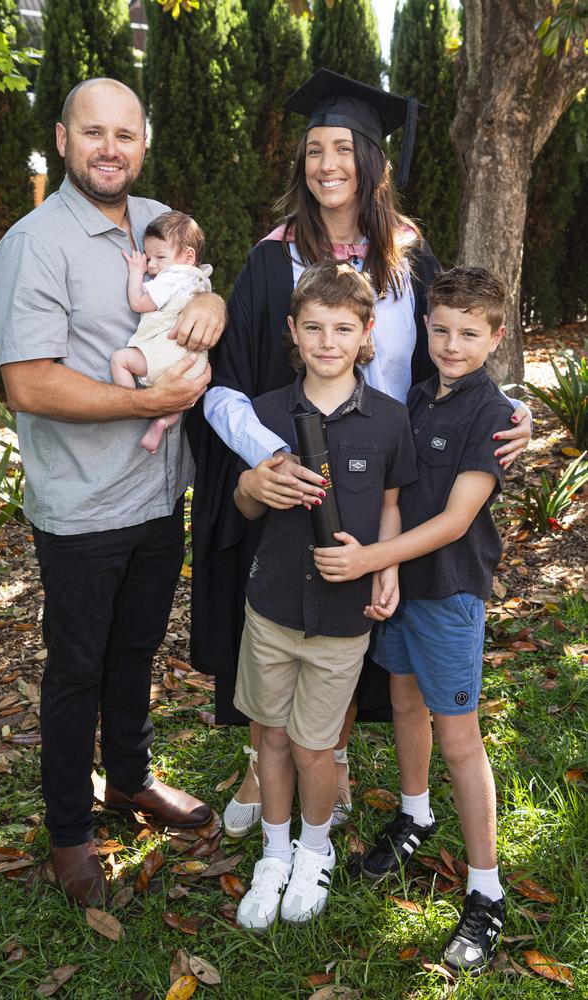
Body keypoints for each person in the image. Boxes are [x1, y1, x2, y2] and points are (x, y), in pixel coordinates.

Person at [187, 68, 532, 838]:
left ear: (372, 159)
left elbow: (457, 355)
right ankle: (265, 760)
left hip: (387, 486)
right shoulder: (271, 259)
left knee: (356, 624)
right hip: (297, 481)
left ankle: (330, 760)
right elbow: (223, 386)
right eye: (313, 150)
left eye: (343, 147)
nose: (326, 164)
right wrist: (273, 458)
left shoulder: (408, 257)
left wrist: (518, 410)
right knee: (283, 619)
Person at [0, 78, 225, 907]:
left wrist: (218, 305)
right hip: (84, 505)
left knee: (136, 651)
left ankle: (128, 778)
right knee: (77, 668)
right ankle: (68, 831)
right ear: (62, 138)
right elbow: (28, 382)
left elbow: (195, 296)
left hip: (161, 493)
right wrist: (144, 402)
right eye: (94, 132)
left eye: (125, 134)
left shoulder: (162, 222)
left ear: (143, 142)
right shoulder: (34, 242)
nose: (110, 148)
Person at [315, 266, 510, 975]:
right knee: (401, 698)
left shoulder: (492, 414)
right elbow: (400, 491)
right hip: (401, 587)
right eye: (440, 329)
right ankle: (415, 812)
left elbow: (458, 519)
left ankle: (486, 891)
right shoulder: (420, 396)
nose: (451, 344)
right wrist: (387, 569)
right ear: (424, 327)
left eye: (468, 333)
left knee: (459, 737)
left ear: (495, 336)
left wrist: (371, 557)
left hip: (450, 591)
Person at [233, 260, 417, 930]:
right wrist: (256, 487)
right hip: (274, 607)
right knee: (271, 737)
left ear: (367, 333)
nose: (328, 341)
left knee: (314, 747)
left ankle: (315, 849)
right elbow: (242, 507)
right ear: (293, 330)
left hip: (343, 620)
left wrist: (387, 568)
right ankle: (274, 854)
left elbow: (393, 507)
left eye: (344, 327)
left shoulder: (391, 421)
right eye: (314, 327)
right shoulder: (265, 412)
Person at [111, 211, 213, 454]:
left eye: (159, 257)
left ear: (188, 256)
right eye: (147, 258)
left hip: (167, 353)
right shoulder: (202, 280)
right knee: (177, 400)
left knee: (120, 360)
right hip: (194, 364)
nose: (152, 265)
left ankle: (131, 404)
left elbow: (139, 302)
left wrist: (136, 271)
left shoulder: (173, 277)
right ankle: (163, 422)